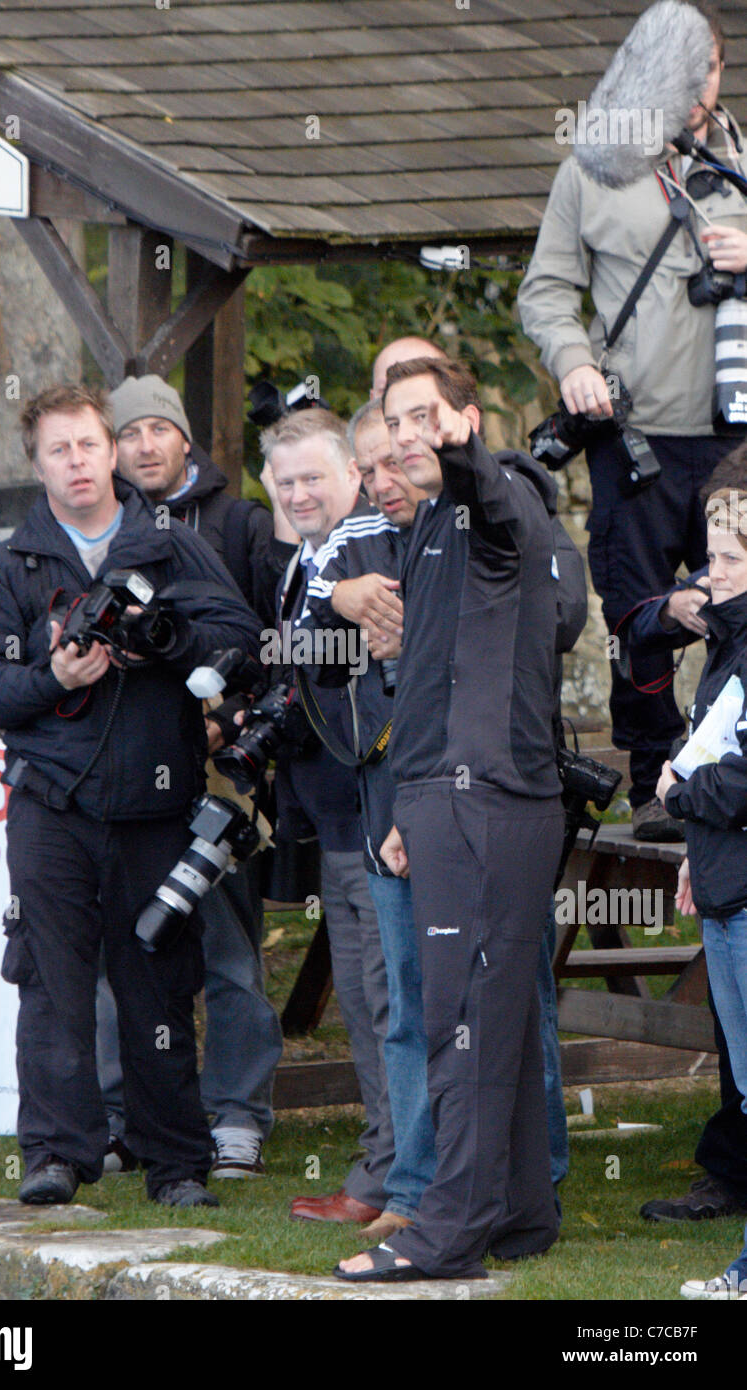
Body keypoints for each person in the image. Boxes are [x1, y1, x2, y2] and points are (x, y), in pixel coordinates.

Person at [0, 383, 261, 1208]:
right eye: (59, 450)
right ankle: (57, 1154)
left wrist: (164, 644)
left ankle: (176, 1163)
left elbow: (240, 642)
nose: (78, 462)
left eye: (90, 445)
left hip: (156, 805)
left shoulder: (166, 545)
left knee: (157, 983)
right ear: (38, 464)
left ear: (111, 451)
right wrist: (50, 675)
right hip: (50, 804)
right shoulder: (11, 563)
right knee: (50, 983)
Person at [337, 357, 564, 1282]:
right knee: (491, 1013)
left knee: (460, 1018)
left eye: (424, 418)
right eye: (395, 422)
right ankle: (517, 1212)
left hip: (488, 801)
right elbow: (428, 679)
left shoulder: (493, 492)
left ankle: (449, 1231)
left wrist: (463, 454)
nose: (405, 436)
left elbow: (493, 501)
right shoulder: (424, 524)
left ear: (466, 420)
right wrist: (403, 805)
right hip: (443, 797)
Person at [518, 2, 747, 842]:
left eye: (714, 68)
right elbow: (544, 291)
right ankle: (654, 787)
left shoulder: (743, 161)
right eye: (687, 69)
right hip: (637, 436)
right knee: (643, 617)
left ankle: (736, 776)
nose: (703, 87)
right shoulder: (592, 170)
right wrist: (573, 362)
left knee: (744, 607)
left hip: (739, 437)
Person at [97, 374, 292, 1180]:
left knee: (226, 949)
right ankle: (119, 1115)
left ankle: (237, 1114)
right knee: (122, 951)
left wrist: (232, 713)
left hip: (216, 771)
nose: (145, 445)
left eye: (158, 429)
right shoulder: (102, 530)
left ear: (186, 439)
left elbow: (275, 636)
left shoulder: (242, 523)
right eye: (129, 432)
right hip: (125, 775)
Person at [257, 406, 396, 1230]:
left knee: (386, 1004)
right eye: (287, 481)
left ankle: (393, 1176)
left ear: (352, 473)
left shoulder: (366, 550)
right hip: (335, 819)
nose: (302, 492)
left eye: (316, 476)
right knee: (370, 1005)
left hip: (376, 816)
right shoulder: (306, 560)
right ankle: (386, 1166)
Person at [303, 399, 436, 1242]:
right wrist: (345, 606)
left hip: (475, 796)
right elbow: (291, 648)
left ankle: (525, 1184)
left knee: (491, 1005)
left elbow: (553, 624)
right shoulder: (347, 546)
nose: (384, 480)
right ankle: (409, 1184)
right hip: (379, 801)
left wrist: (415, 633)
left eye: (397, 460)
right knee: (400, 1004)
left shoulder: (479, 519)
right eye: (372, 466)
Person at [628, 454, 747, 1226]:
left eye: (732, 558)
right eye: (714, 556)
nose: (715, 573)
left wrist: (680, 795)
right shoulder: (725, 630)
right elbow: (636, 624)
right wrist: (700, 848)